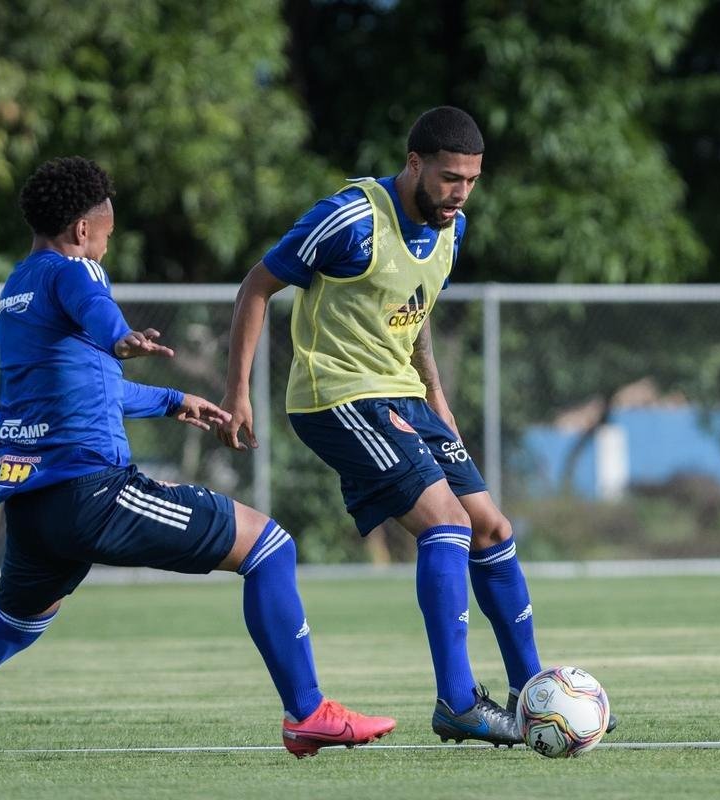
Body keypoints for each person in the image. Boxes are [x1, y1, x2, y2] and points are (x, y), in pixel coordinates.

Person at [0, 157, 395, 770]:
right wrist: (124, 339)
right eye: (108, 235)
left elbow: (86, 388)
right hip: (91, 493)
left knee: (11, 626)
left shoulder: (17, 288)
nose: (107, 248)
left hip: (33, 501)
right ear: (85, 231)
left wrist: (172, 401)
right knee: (269, 546)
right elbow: (99, 314)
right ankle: (308, 714)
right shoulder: (76, 271)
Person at [217, 106, 615, 746]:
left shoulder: (451, 229)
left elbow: (415, 311)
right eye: (450, 178)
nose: (461, 192)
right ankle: (457, 702)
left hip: (405, 396)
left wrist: (435, 393)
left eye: (472, 180)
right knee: (448, 523)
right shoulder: (350, 218)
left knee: (492, 527)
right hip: (337, 396)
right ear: (414, 165)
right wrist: (238, 392)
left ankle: (534, 692)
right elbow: (257, 286)